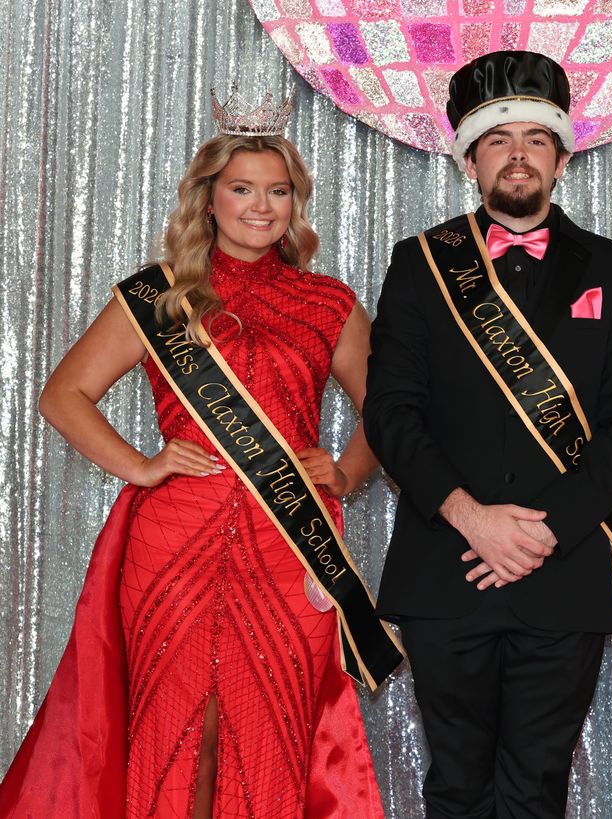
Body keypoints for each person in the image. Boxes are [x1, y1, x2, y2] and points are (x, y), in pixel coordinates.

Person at [0, 87, 399, 818]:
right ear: (208, 198)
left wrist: (344, 470)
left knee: (272, 726)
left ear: (295, 203)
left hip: (288, 548)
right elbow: (63, 396)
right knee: (173, 725)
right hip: (173, 540)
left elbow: (394, 414)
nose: (260, 206)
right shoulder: (159, 298)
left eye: (277, 191)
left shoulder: (328, 302)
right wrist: (143, 466)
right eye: (242, 189)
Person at [363, 50, 612, 819]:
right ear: (470, 160)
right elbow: (390, 413)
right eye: (499, 139)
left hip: (561, 573)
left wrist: (544, 533)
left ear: (563, 158)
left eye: (537, 138)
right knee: (457, 786)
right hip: (447, 566)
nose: (519, 153)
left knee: (537, 788)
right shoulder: (420, 265)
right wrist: (470, 516)